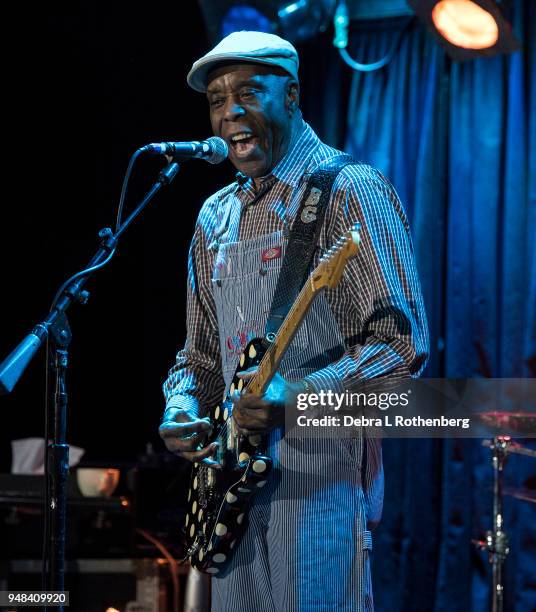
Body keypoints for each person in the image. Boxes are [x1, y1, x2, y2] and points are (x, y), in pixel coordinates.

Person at [159, 31, 429, 611]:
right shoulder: (215, 215)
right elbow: (200, 356)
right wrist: (179, 405)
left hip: (321, 477)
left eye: (250, 92)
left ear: (294, 95)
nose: (230, 112)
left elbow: (401, 347)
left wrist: (300, 397)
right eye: (216, 99)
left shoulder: (349, 190)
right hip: (231, 485)